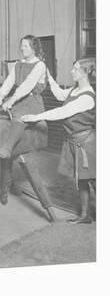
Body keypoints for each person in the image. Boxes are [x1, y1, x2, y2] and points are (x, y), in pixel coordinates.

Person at [22, 58, 96, 224]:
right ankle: (85, 215)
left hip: (87, 143)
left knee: (95, 180)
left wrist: (36, 117)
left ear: (85, 73)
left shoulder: (88, 97)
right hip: (74, 141)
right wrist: (48, 75)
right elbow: (58, 93)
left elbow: (63, 112)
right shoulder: (74, 90)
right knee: (82, 180)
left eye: (75, 69)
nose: (71, 72)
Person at [0, 35, 47, 159]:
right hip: (17, 98)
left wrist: (11, 101)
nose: (22, 48)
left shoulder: (40, 65)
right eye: (21, 45)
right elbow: (9, 81)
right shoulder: (18, 64)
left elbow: (27, 86)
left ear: (33, 48)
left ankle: (7, 149)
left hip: (31, 101)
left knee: (19, 119)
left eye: (25, 46)